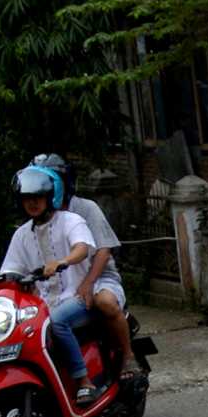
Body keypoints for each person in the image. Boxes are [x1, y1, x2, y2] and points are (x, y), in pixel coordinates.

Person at [0, 166, 106, 407]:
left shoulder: (71, 221)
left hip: (79, 295)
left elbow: (82, 248)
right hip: (44, 304)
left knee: (56, 322)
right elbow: (9, 270)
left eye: (38, 197)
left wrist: (62, 261)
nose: (33, 203)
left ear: (50, 197)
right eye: (27, 199)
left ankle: (84, 381)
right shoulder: (21, 235)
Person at [31, 153, 135, 379]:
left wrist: (88, 284)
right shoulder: (40, 217)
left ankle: (128, 357)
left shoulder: (86, 208)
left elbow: (103, 250)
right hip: (61, 284)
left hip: (98, 278)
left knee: (105, 303)